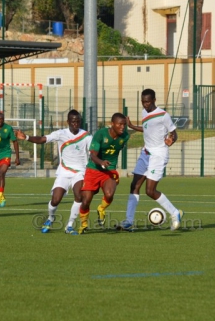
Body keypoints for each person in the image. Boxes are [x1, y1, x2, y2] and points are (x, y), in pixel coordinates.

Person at [15, 110, 92, 235]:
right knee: (55, 199)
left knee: (79, 196)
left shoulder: (86, 136)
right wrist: (26, 137)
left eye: (78, 121)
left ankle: (70, 225)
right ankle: (50, 218)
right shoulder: (60, 134)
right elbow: (43, 139)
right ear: (68, 122)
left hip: (80, 172)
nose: (75, 124)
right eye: (73, 121)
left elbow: (93, 151)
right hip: (64, 172)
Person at [118, 88, 183, 232]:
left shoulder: (163, 115)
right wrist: (132, 126)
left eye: (147, 101)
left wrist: (171, 140)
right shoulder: (144, 113)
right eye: (143, 102)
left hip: (158, 155)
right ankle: (129, 221)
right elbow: (147, 129)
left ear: (154, 100)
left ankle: (175, 213)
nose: (145, 104)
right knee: (134, 185)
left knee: (150, 190)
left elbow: (174, 134)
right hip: (145, 153)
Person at [78, 112, 130, 234]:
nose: (122, 127)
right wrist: (101, 162)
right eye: (119, 124)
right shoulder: (100, 134)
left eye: (124, 124)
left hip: (109, 170)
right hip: (93, 169)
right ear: (112, 124)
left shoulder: (125, 136)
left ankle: (101, 208)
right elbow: (92, 155)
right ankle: (84, 224)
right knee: (85, 201)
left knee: (109, 194)